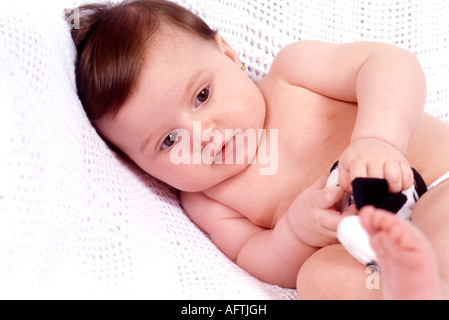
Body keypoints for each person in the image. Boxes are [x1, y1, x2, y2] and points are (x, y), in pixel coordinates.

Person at [70, 0, 449, 299]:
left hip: (437, 180)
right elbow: (257, 256)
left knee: (440, 217)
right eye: (169, 141)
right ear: (140, 167)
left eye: (202, 96)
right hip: (366, 253)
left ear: (230, 57)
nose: (202, 135)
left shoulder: (293, 75)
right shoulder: (207, 201)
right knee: (317, 279)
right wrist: (297, 233)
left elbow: (390, 65)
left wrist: (377, 139)